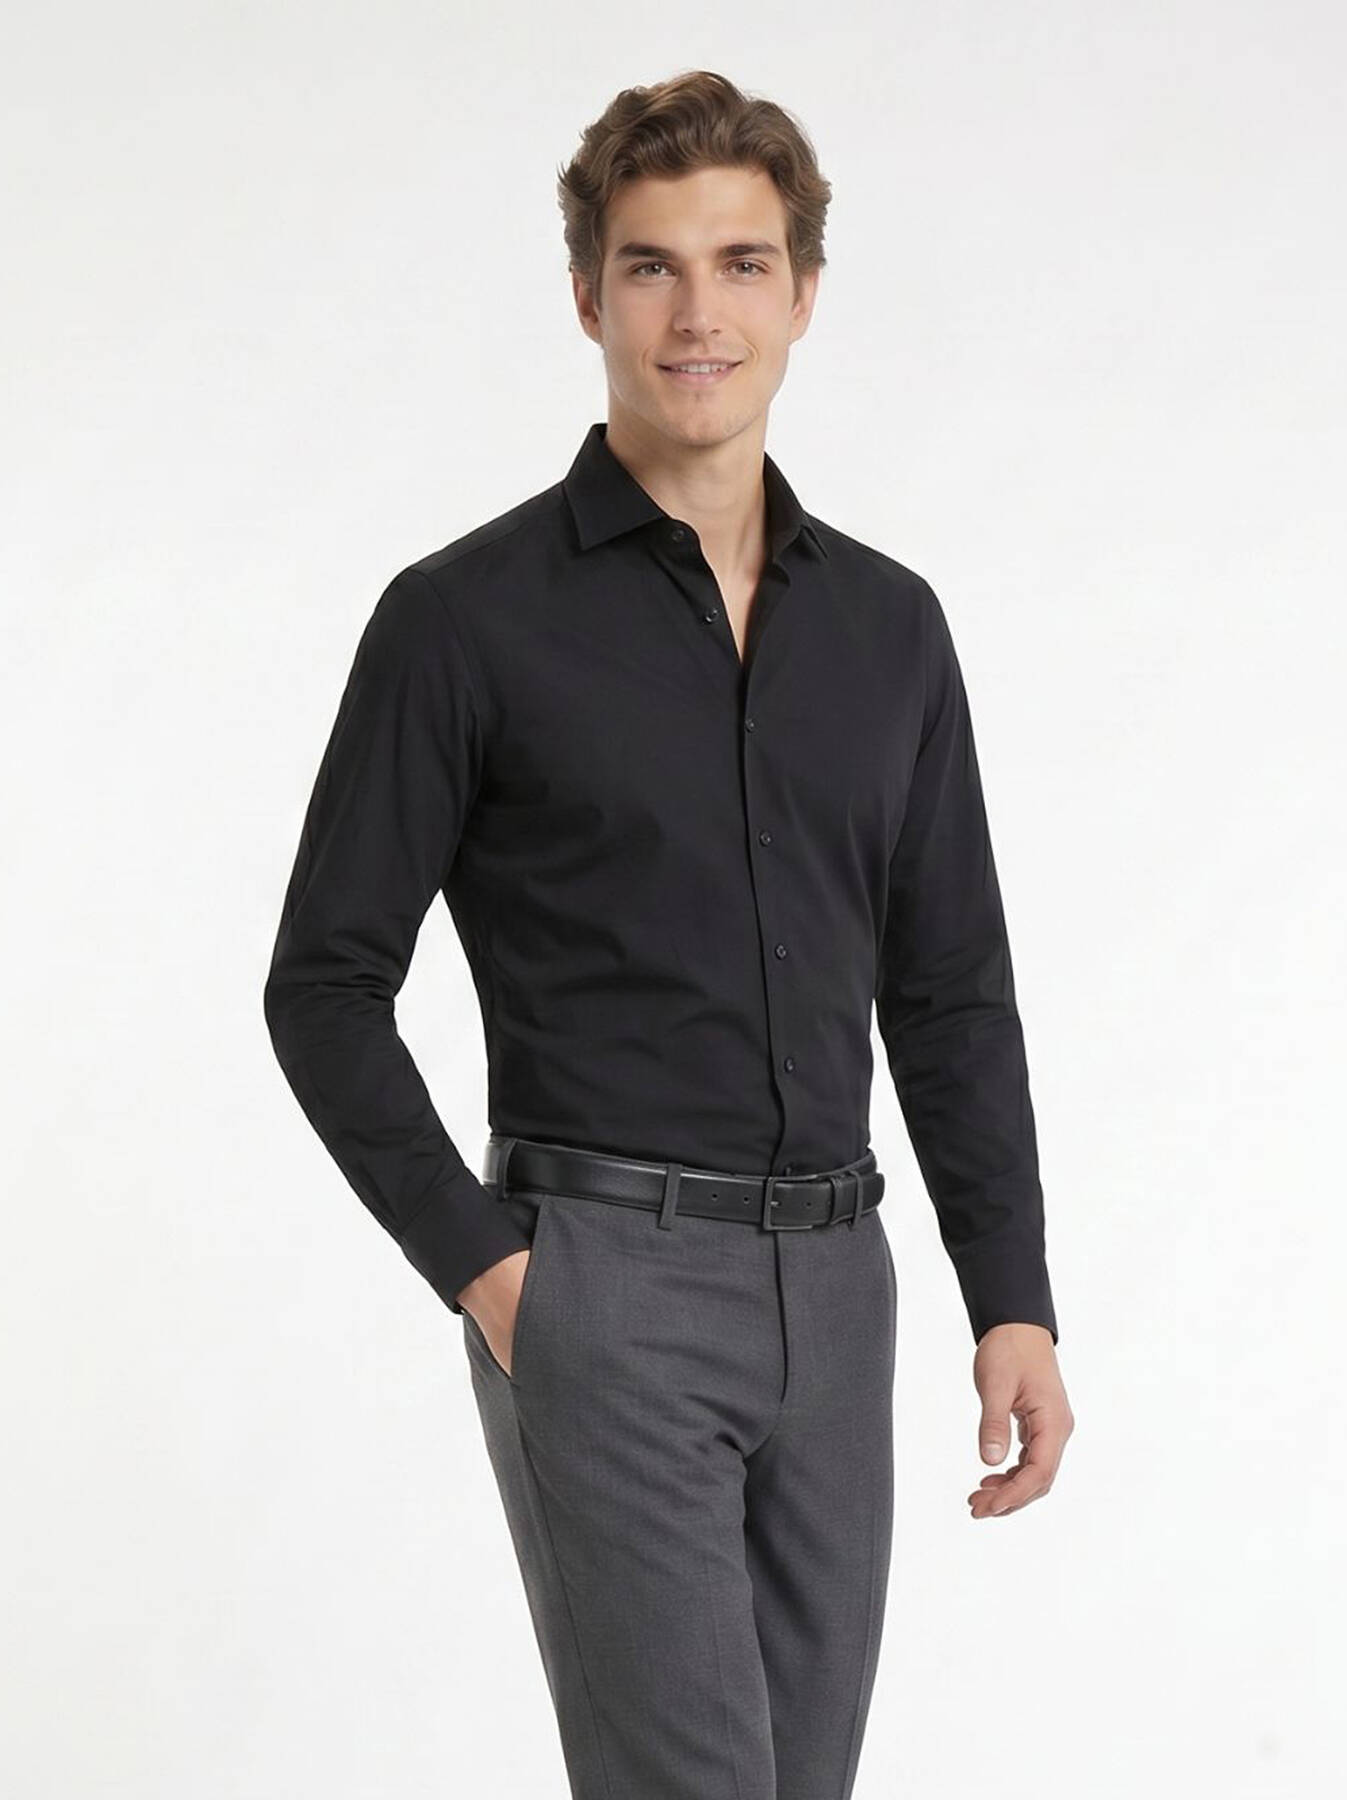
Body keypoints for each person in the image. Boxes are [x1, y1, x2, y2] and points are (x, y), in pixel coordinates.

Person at [263, 67, 1073, 1800]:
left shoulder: (891, 629)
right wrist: (499, 1279)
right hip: (602, 1289)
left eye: (740, 263)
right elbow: (323, 985)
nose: (698, 313)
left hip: (840, 1294)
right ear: (587, 297)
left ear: (803, 293)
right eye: (650, 266)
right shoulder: (463, 621)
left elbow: (949, 991)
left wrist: (1009, 1295)